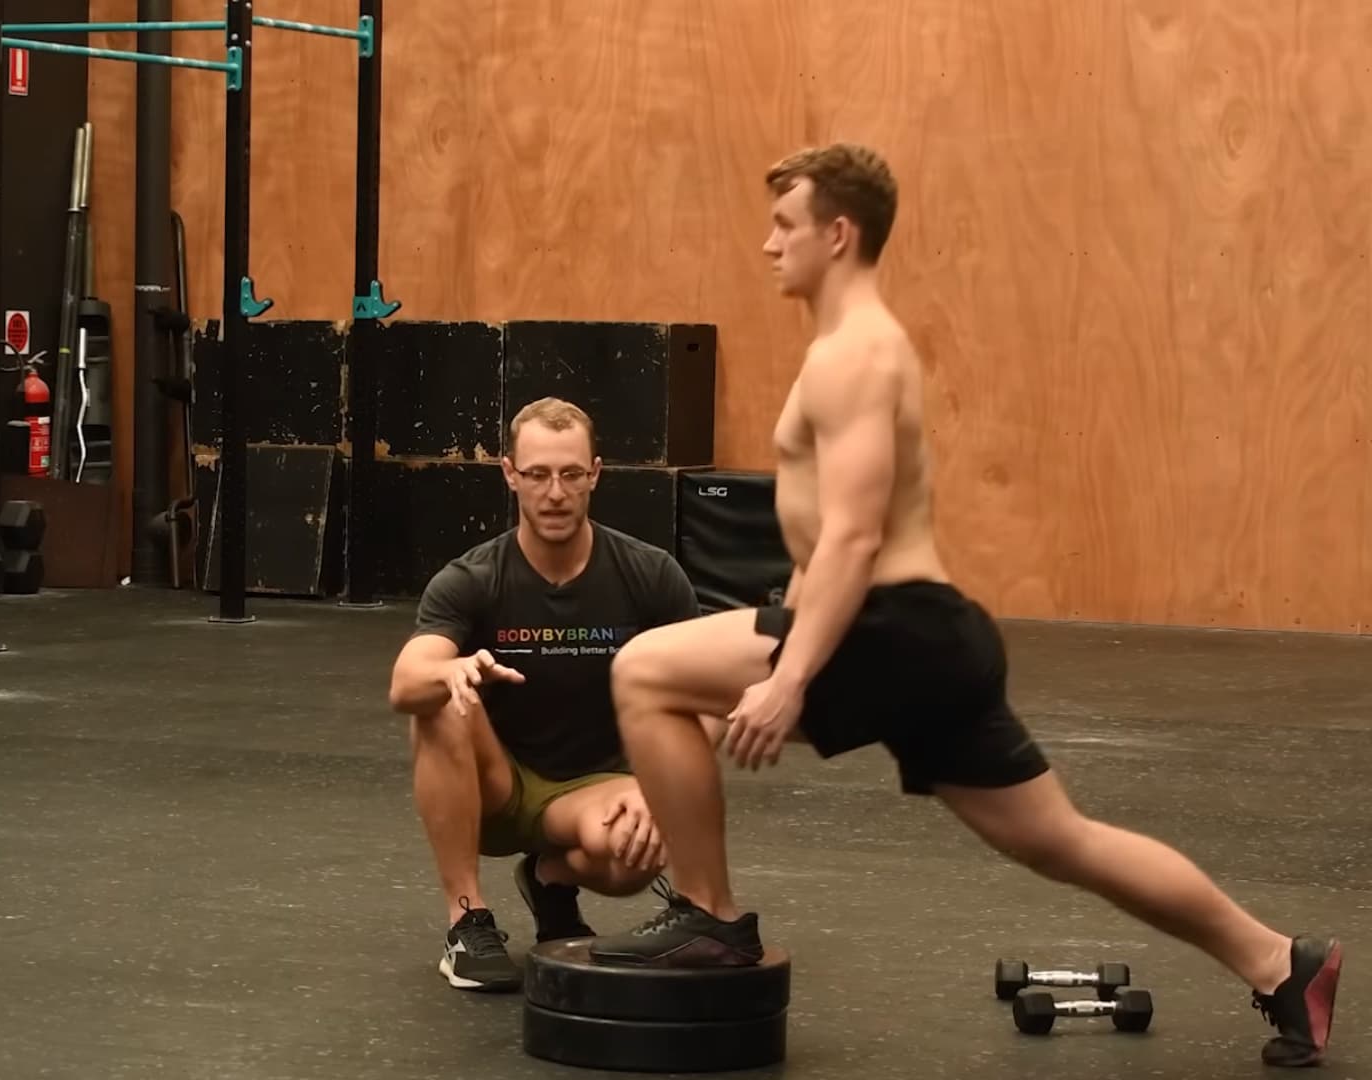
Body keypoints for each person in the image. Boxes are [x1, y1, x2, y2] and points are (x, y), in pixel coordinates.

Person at [584, 143, 1342, 1068]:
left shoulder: (855, 354)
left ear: (838, 232)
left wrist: (788, 682)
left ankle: (710, 918)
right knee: (1061, 841)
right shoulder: (857, 345)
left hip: (887, 627)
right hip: (922, 637)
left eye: (786, 224)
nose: (769, 243)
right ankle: (1280, 962)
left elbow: (854, 540)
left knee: (644, 671)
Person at [387, 397, 709, 992]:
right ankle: (466, 920)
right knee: (440, 696)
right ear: (511, 475)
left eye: (569, 474)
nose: (554, 492)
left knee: (637, 851)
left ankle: (550, 878)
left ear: (595, 473)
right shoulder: (473, 577)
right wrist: (451, 671)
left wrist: (658, 791)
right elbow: (406, 681)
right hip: (492, 786)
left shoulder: (649, 574)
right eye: (537, 474)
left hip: (589, 786)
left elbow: (697, 698)